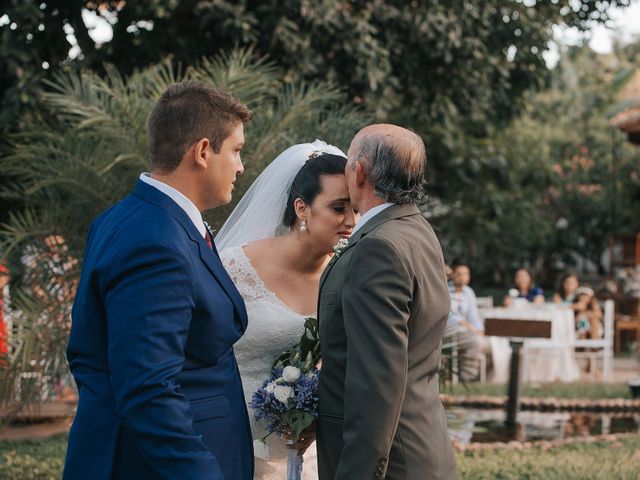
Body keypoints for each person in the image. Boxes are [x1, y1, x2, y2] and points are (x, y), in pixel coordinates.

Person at [64, 81, 254, 480]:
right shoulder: (157, 242)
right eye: (235, 150)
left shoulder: (128, 219)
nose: (240, 166)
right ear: (202, 151)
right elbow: (148, 388)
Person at [317, 124, 456, 480]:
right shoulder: (418, 230)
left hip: (391, 462)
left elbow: (376, 383)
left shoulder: (378, 248)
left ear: (358, 171)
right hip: (423, 445)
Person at [216, 140, 358, 479]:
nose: (351, 220)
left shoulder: (349, 277)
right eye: (339, 207)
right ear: (302, 208)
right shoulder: (234, 266)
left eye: (355, 208)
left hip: (310, 452)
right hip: (234, 442)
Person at [448, 261, 490, 382]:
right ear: (452, 275)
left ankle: (485, 376)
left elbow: (473, 316)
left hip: (466, 331)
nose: (463, 277)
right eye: (459, 274)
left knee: (490, 342)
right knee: (475, 341)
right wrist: (468, 326)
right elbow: (450, 316)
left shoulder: (469, 292)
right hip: (450, 330)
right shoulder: (445, 290)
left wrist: (479, 329)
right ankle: (467, 377)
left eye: (466, 274)